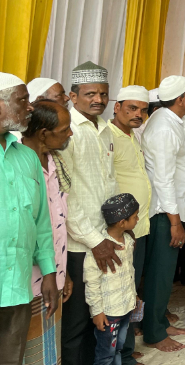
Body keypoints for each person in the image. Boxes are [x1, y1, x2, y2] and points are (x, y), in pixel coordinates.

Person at [61, 62, 118, 365]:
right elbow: (65, 197)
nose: (98, 99)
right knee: (76, 322)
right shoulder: (66, 131)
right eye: (90, 94)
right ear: (73, 96)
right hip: (80, 243)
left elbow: (110, 182)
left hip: (104, 237)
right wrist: (95, 240)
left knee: (101, 314)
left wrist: (113, 231)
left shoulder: (105, 128)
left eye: (103, 94)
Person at [0, 74, 59, 365]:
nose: (30, 107)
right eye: (22, 100)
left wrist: (49, 273)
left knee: (11, 358)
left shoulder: (27, 158)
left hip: (16, 287)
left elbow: (40, 221)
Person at [141, 76, 185, 352]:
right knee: (159, 274)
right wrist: (175, 222)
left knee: (163, 272)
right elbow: (163, 179)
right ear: (180, 99)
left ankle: (159, 322)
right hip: (165, 213)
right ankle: (154, 332)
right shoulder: (164, 127)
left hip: (172, 211)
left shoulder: (172, 121)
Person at [20, 101, 74, 365]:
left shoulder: (54, 162)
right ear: (43, 134)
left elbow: (57, 224)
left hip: (54, 275)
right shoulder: (18, 165)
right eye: (65, 129)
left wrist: (63, 271)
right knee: (28, 352)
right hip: (28, 281)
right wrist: (49, 274)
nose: (70, 134)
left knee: (49, 351)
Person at [107, 85, 151, 365]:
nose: (138, 114)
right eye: (132, 108)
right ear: (117, 107)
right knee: (118, 294)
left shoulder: (134, 136)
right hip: (120, 231)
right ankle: (117, 355)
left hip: (140, 227)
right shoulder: (108, 136)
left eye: (142, 110)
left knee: (131, 290)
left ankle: (125, 350)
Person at [85, 194, 139, 365]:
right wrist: (97, 312)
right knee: (106, 354)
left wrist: (134, 296)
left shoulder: (128, 240)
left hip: (125, 308)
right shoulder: (99, 249)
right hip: (109, 313)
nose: (138, 219)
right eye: (135, 216)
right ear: (122, 222)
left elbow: (130, 272)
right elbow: (92, 282)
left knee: (118, 349)